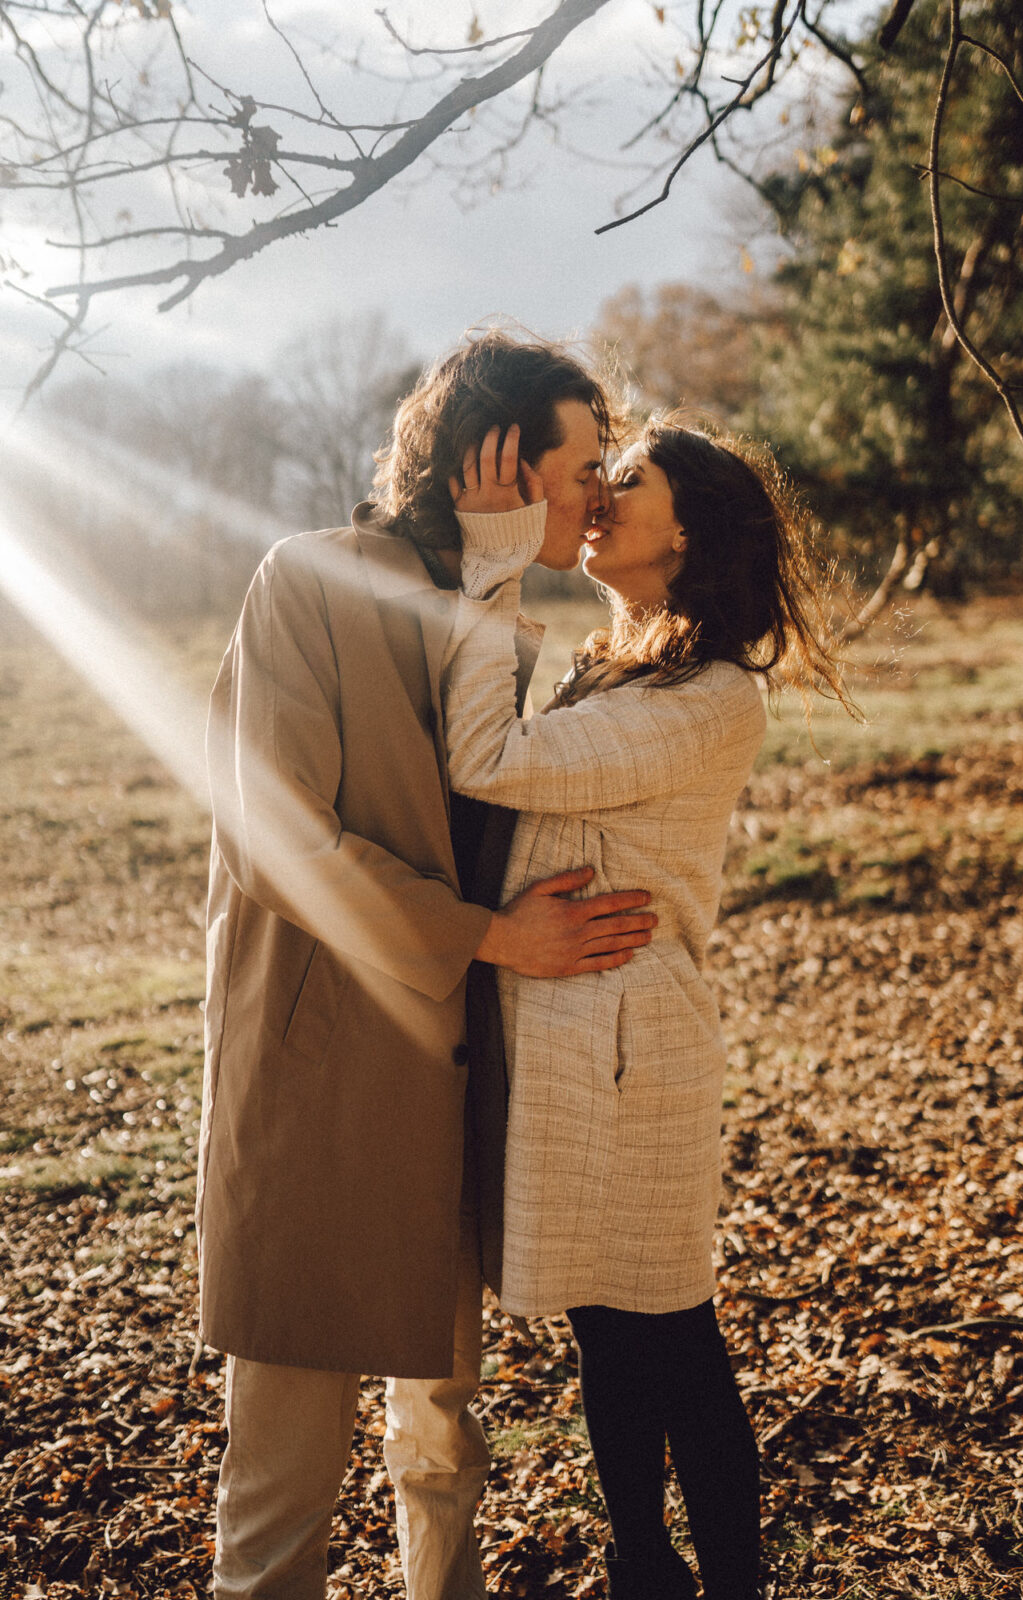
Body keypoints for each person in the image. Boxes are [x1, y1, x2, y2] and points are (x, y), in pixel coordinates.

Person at [197, 331, 660, 1600]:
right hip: (320, 1096)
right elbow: (282, 845)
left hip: (456, 1091)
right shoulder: (307, 580)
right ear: (493, 462)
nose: (599, 499)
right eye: (579, 471)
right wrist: (496, 939)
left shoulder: (500, 633)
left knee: (444, 1452)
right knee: (281, 1494)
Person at [441, 416, 852, 1599]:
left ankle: (729, 1580)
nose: (602, 496)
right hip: (568, 1026)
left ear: (690, 528)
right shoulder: (614, 660)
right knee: (602, 1321)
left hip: (632, 1044)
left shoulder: (712, 694)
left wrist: (490, 561)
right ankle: (639, 1562)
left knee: (671, 1328)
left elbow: (490, 761)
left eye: (628, 481)